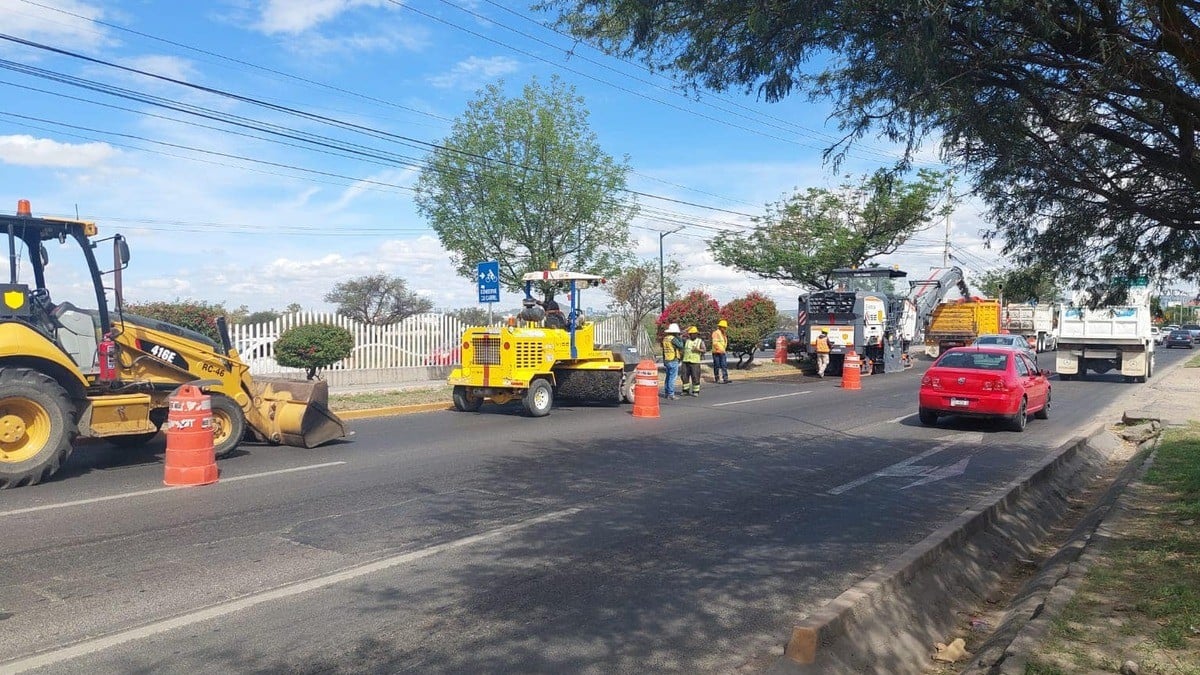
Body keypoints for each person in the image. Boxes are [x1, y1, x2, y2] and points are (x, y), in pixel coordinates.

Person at [661, 323, 683, 399]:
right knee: (672, 378)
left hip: (667, 360)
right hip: (673, 360)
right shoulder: (673, 339)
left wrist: (664, 360)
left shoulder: (665, 339)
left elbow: (664, 351)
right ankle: (671, 394)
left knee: (668, 377)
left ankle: (667, 393)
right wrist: (680, 338)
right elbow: (681, 346)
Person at [681, 325, 706, 396]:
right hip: (685, 361)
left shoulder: (700, 341)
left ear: (696, 334)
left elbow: (704, 350)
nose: (692, 335)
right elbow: (679, 336)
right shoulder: (686, 340)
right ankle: (685, 390)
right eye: (690, 334)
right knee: (684, 376)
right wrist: (686, 329)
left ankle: (696, 391)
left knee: (695, 377)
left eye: (693, 334)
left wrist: (698, 350)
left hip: (695, 362)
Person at [711, 319, 730, 383]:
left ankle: (725, 378)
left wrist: (723, 350)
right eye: (724, 327)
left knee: (724, 365)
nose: (725, 328)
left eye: (725, 327)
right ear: (720, 327)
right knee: (717, 365)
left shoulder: (723, 334)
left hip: (722, 352)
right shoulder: (716, 333)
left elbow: (724, 343)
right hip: (716, 352)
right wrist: (719, 349)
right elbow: (715, 343)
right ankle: (717, 378)